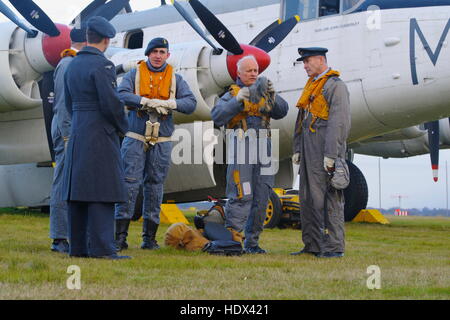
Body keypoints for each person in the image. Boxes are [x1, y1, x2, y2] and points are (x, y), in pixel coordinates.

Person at [114, 37, 196, 251]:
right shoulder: (134, 75)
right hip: (135, 137)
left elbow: (190, 103)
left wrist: (170, 103)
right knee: (129, 183)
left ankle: (149, 238)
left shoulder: (176, 80)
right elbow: (121, 94)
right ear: (147, 54)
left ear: (168, 55)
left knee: (155, 186)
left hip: (162, 139)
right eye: (154, 52)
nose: (158, 56)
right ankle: (119, 237)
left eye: (162, 52)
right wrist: (143, 101)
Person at [62, 16, 129, 259]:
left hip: (79, 129)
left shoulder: (72, 65)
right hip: (100, 131)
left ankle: (78, 247)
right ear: (107, 39)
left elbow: (69, 103)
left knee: (78, 190)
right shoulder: (103, 66)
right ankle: (103, 249)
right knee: (103, 188)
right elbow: (110, 103)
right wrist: (123, 126)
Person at [211, 55, 288, 254]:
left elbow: (282, 111)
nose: (253, 74)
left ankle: (252, 243)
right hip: (241, 146)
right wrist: (238, 100)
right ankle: (234, 242)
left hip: (264, 147)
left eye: (255, 70)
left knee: (262, 195)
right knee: (241, 194)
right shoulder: (231, 95)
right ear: (239, 73)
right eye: (249, 71)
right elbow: (217, 116)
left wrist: (272, 94)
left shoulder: (264, 92)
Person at [291, 47, 351, 258]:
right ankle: (313, 245)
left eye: (307, 61)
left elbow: (339, 123)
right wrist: (297, 148)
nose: (305, 66)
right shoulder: (312, 86)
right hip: (309, 152)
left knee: (330, 200)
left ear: (320, 59)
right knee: (307, 199)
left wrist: (331, 155)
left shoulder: (336, 86)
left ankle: (334, 247)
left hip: (325, 152)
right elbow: (301, 121)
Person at [49, 26, 87, 253]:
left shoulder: (72, 62)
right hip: (67, 130)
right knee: (63, 182)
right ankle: (59, 237)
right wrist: (67, 135)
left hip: (73, 129)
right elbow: (63, 105)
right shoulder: (68, 64)